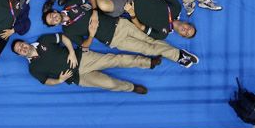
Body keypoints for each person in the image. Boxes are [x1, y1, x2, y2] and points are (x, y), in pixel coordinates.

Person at [44, 0, 199, 67]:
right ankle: (178, 56)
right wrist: (91, 35)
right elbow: (84, 47)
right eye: (51, 21)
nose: (54, 18)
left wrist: (96, 13)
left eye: (51, 15)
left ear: (55, 12)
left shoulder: (70, 5)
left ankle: (179, 55)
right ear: (54, 25)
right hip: (114, 40)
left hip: (121, 23)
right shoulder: (68, 31)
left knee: (151, 40)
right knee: (147, 49)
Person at [11, 33, 153, 94]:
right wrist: (59, 80)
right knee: (110, 84)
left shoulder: (43, 40)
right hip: (78, 78)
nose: (22, 48)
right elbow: (46, 81)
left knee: (116, 59)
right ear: (20, 55)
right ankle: (132, 88)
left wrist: (72, 53)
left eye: (21, 45)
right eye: (20, 50)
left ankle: (147, 62)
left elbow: (64, 38)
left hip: (82, 58)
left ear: (25, 42)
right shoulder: (33, 69)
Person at [130, 0, 198, 37]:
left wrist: (132, 14)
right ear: (186, 22)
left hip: (127, 5)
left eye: (186, 33)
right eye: (188, 28)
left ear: (181, 35)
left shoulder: (162, 34)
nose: (186, 30)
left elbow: (141, 27)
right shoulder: (177, 8)